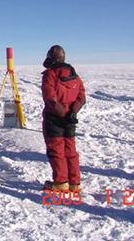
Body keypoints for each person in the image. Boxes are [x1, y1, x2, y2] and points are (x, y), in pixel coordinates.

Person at [41, 45, 86, 192]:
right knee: (70, 150)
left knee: (56, 150)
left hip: (55, 119)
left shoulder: (50, 74)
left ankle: (61, 183)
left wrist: (61, 114)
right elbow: (81, 97)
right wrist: (72, 113)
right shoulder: (75, 76)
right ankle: (74, 183)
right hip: (70, 119)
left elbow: (50, 99)